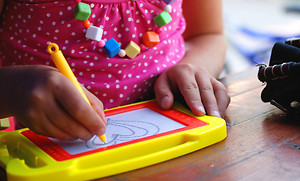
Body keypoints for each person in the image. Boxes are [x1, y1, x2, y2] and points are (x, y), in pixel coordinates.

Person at [0, 0, 230, 141]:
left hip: (173, 144)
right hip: (39, 158)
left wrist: (193, 69)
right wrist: (12, 90)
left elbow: (208, 35)